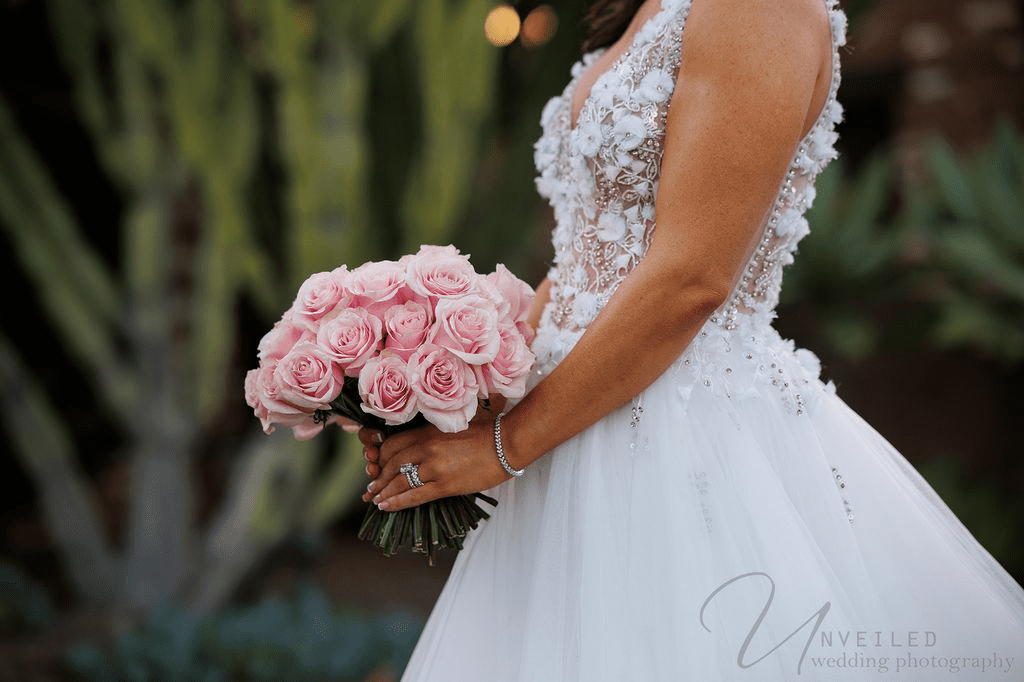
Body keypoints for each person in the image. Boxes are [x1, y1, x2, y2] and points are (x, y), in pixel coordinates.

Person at [360, 0, 1024, 679]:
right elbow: (584, 256)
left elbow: (692, 277)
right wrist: (474, 392)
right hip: (561, 421)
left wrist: (504, 448)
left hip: (679, 434)